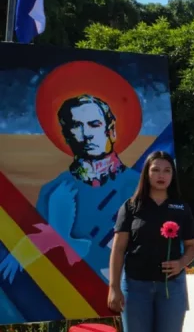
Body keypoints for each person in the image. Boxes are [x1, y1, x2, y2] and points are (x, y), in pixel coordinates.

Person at [0, 94, 140, 283]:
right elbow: (48, 264)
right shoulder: (54, 191)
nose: (87, 133)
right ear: (66, 136)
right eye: (76, 126)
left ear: (111, 130)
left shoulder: (139, 185)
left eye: (94, 124)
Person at [107, 151, 194, 332]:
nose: (161, 175)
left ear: (173, 175)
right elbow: (117, 250)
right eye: (156, 170)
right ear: (146, 174)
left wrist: (181, 263)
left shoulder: (181, 208)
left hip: (171, 287)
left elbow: (192, 247)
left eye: (167, 171)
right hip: (135, 287)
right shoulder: (131, 206)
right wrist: (114, 287)